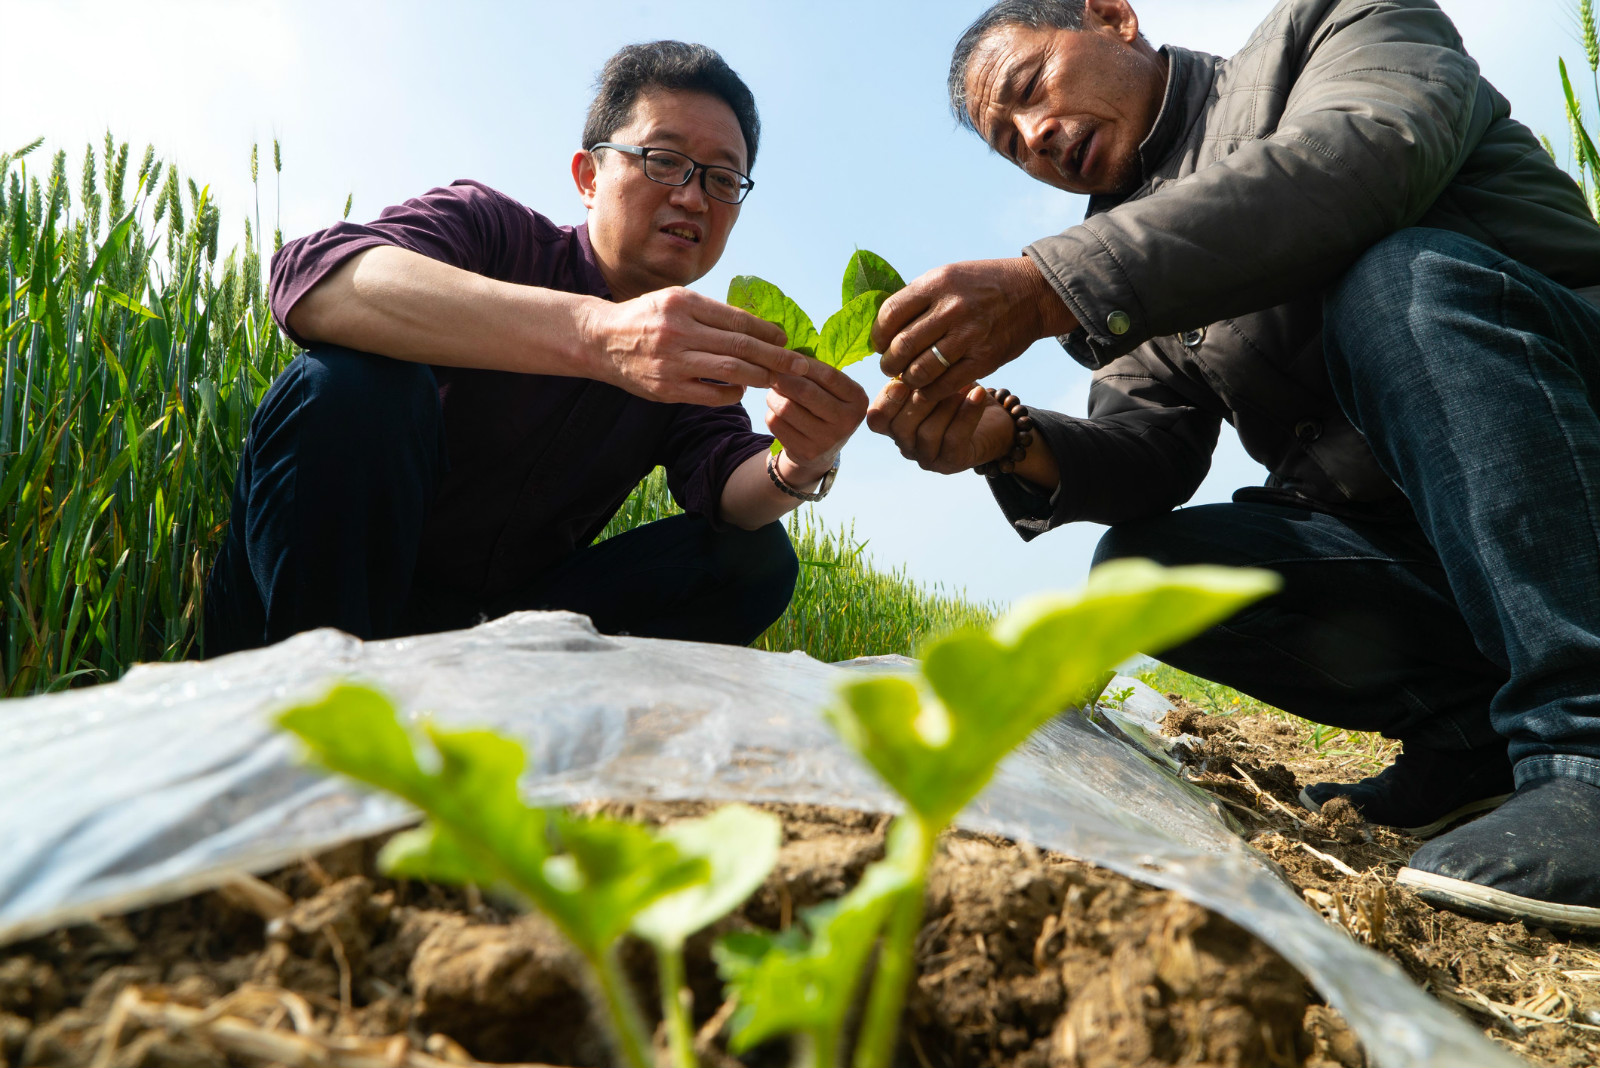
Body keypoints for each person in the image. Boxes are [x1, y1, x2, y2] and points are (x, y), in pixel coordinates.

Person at [867, 0, 1600, 930]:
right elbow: (1148, 452)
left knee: (1398, 281)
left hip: (1572, 437)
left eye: (1029, 89)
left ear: (1111, 17)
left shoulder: (1331, 29)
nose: (1036, 137)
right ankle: (1472, 743)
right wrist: (1008, 440)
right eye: (1012, 145)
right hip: (1426, 540)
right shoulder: (1121, 250)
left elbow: (1369, 155)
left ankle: (1583, 740)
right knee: (1146, 572)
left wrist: (1055, 284)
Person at [205, 41, 867, 656]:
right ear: (588, 176)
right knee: (354, 384)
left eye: (724, 180)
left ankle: (553, 744)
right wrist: (597, 336)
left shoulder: (689, 343)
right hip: (323, 603)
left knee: (756, 560)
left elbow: (728, 483)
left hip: (496, 635)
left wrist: (804, 460)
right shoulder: (492, 234)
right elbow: (318, 283)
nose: (693, 195)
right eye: (664, 160)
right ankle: (319, 730)